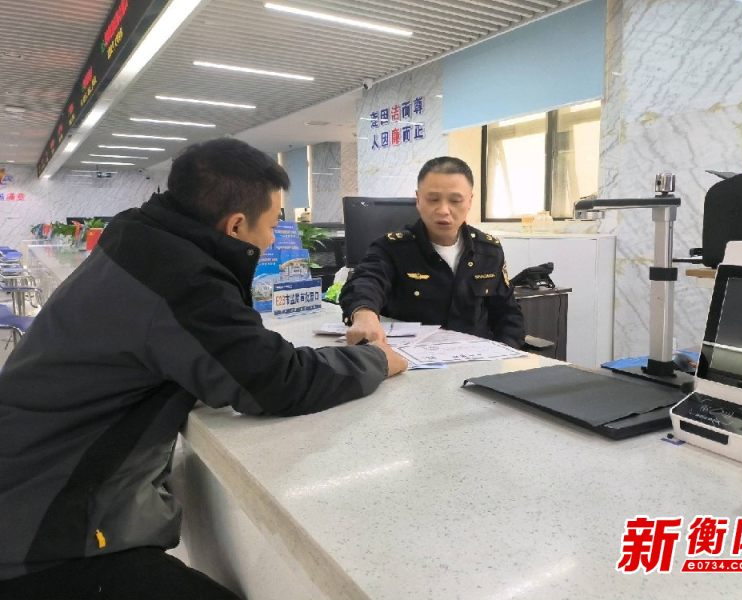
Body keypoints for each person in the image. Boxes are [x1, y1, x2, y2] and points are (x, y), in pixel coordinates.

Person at [0, 138, 407, 599]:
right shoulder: (182, 277)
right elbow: (276, 380)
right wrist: (376, 359)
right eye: (273, 223)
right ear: (235, 225)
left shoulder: (141, 239)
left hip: (30, 488)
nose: (274, 237)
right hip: (44, 535)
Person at [340, 156, 525, 348]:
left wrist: (506, 354)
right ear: (418, 200)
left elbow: (508, 315)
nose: (443, 210)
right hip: (411, 359)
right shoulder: (391, 248)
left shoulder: (488, 251)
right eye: (433, 199)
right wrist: (364, 314)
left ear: (470, 201)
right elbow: (366, 282)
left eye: (455, 200)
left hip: (478, 359)